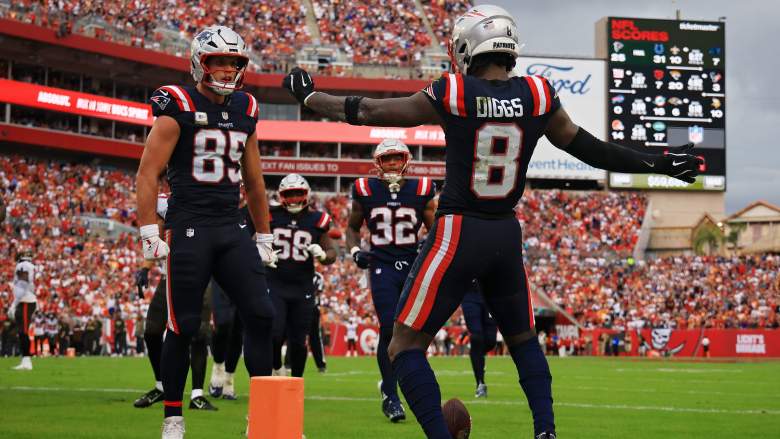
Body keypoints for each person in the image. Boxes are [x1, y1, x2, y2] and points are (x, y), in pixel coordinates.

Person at [283, 5, 703, 437]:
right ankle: (546, 431)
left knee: (405, 345)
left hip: (458, 229)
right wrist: (660, 163)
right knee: (523, 341)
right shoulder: (538, 94)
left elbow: (372, 112)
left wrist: (310, 98)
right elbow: (591, 149)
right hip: (506, 232)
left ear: (467, 47)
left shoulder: (455, 91)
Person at [136, 25, 277, 438]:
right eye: (219, 60)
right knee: (184, 324)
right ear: (199, 61)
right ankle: (174, 420)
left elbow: (254, 181)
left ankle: (266, 419)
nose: (228, 69)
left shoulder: (246, 108)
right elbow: (148, 172)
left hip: (231, 227)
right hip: (189, 227)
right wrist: (149, 228)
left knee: (262, 315)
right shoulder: (177, 103)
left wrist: (264, 235)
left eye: (234, 62)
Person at [345, 139, 436, 422]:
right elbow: (351, 227)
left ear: (406, 160)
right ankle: (391, 396)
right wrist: (355, 250)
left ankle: (399, 385)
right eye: (388, 159)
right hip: (382, 265)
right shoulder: (365, 190)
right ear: (378, 163)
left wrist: (426, 245)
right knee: (388, 326)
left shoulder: (422, 189)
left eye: (397, 158)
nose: (393, 164)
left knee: (411, 330)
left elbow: (436, 229)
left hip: (412, 266)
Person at [132, 193, 217, 411]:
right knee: (151, 331)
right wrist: (145, 267)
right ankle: (161, 385)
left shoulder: (212, 198)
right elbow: (157, 235)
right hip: (170, 275)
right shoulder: (164, 202)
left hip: (202, 275)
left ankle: (197, 394)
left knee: (198, 335)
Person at [267, 174, 338, 377]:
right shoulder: (270, 215)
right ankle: (276, 368)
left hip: (302, 287)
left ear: (306, 194)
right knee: (275, 333)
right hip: (275, 283)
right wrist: (263, 252)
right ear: (281, 196)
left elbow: (331, 252)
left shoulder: (317, 219)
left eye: (298, 193)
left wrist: (323, 255)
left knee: (299, 341)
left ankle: (296, 382)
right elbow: (255, 240)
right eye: (289, 194)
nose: (294, 198)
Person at [462, 282, 498, 398]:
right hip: (469, 295)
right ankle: (480, 383)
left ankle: (477, 358)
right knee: (476, 337)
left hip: (489, 294)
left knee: (491, 341)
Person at [10, 251, 36, 370]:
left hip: (25, 301)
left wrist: (14, 304)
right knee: (22, 332)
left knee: (24, 332)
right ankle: (25, 360)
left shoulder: (23, 265)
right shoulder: (29, 265)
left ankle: (27, 361)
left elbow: (23, 286)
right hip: (25, 301)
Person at [310, 271, 328, 373]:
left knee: (315, 337)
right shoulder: (298, 272)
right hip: (298, 306)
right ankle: (288, 363)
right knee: (294, 335)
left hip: (312, 307)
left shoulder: (318, 276)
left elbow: (317, 291)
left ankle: (321, 364)